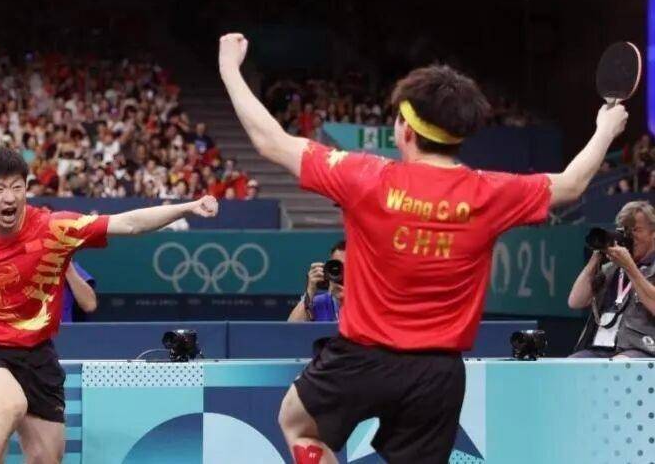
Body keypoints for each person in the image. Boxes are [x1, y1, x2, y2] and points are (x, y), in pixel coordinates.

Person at [218, 32, 627, 464]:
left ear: (405, 129)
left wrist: (229, 67)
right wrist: (604, 129)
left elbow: (270, 141)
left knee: (297, 422)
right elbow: (572, 184)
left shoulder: (365, 177)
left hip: (361, 358)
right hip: (437, 374)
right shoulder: (490, 192)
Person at [0, 148, 218, 464]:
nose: (9, 197)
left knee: (47, 458)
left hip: (37, 353)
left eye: (17, 187)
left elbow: (130, 224)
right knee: (9, 407)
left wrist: (189, 207)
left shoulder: (55, 228)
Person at [568, 200, 655, 358]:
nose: (629, 237)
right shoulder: (611, 269)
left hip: (640, 348)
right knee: (569, 365)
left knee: (617, 366)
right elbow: (575, 301)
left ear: (653, 233)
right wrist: (596, 258)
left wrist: (630, 268)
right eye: (625, 230)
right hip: (599, 348)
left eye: (636, 230)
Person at [288, 241, 346, 322]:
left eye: (348, 267)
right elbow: (291, 328)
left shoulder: (364, 303)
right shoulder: (317, 303)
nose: (342, 273)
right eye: (337, 266)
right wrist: (310, 291)